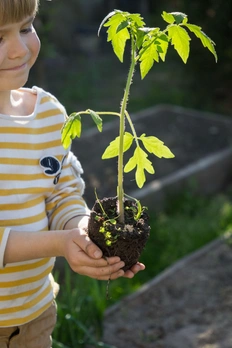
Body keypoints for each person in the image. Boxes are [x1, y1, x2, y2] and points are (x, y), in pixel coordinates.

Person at [0, 0, 145, 347]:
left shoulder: (49, 114)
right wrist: (58, 244)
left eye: (25, 27)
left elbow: (63, 193)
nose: (20, 49)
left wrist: (81, 230)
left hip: (34, 316)